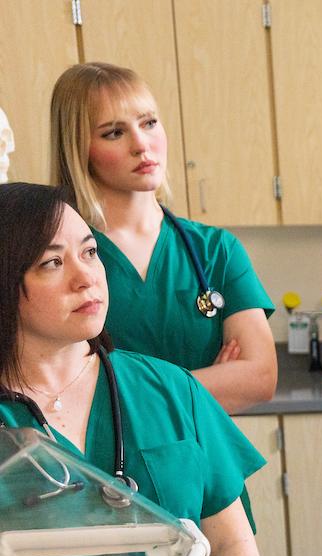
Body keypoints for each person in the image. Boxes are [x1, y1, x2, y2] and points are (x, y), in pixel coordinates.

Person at [0, 182, 270, 556]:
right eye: (52, 262)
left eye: (90, 252)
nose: (86, 276)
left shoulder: (169, 390)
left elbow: (231, 545)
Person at [49, 63, 276, 415]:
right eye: (113, 133)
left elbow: (260, 378)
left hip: (206, 464)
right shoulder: (55, 260)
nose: (142, 144)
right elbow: (59, 389)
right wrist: (204, 384)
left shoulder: (216, 250)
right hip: (105, 464)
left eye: (149, 123)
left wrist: (125, 392)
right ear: (78, 149)